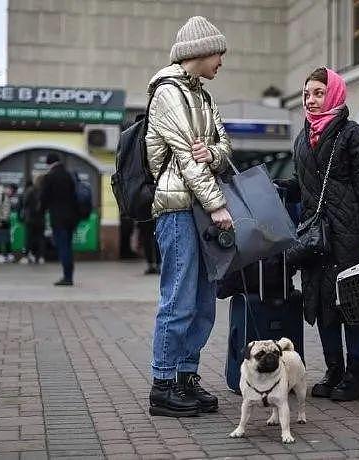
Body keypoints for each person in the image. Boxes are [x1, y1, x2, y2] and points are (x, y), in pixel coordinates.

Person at [277, 67, 359, 401]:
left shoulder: (352, 135)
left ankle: (357, 374)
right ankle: (334, 369)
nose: (310, 100)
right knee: (323, 303)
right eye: (307, 93)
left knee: (352, 303)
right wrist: (281, 187)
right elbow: (306, 186)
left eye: (318, 93)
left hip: (349, 235)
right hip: (316, 238)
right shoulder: (302, 138)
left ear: (335, 94)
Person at [145, 16, 233, 417]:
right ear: (199, 52)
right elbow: (186, 155)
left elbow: (224, 148)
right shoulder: (168, 92)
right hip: (179, 209)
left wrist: (212, 152)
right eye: (219, 52)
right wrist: (218, 206)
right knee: (178, 298)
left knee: (203, 302)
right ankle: (163, 385)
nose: (222, 61)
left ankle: (185, 376)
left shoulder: (205, 96)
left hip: (199, 208)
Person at [40, 152, 79, 286]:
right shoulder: (68, 175)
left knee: (63, 247)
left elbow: (44, 198)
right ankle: (69, 275)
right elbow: (74, 196)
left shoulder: (50, 177)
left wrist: (41, 212)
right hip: (71, 218)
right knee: (68, 246)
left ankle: (67, 277)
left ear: (49, 163)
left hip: (58, 218)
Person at [19, 177, 46, 264]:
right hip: (41, 219)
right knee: (40, 238)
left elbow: (24, 203)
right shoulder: (43, 191)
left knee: (28, 238)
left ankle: (26, 257)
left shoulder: (30, 190)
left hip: (30, 218)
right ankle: (40, 257)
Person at [0, 183, 17, 264]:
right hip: (0, 220)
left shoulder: (6, 196)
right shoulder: (1, 194)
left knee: (7, 238)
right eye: (12, 192)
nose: (12, 194)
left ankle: (7, 255)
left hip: (6, 220)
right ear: (9, 188)